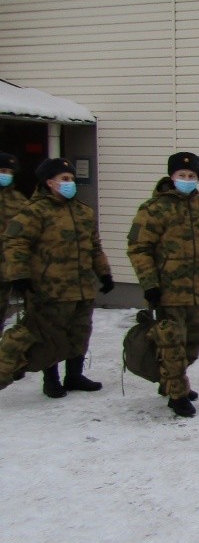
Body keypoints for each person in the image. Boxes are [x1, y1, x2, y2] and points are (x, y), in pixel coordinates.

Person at [0, 157, 114, 396]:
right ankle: (50, 379)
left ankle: (74, 375)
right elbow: (15, 243)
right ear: (49, 182)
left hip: (81, 286)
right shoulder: (34, 212)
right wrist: (19, 276)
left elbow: (94, 245)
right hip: (49, 287)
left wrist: (103, 273)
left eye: (71, 179)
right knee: (51, 336)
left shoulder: (83, 211)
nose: (69, 183)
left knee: (80, 331)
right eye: (64, 179)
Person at [126, 152, 199, 418]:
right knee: (172, 343)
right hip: (167, 291)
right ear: (171, 176)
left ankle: (171, 379)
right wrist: (150, 284)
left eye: (192, 176)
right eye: (182, 175)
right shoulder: (153, 209)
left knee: (195, 338)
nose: (186, 179)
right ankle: (177, 393)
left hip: (197, 290)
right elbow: (139, 248)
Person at [0, 153, 27, 327]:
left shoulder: (19, 201)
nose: (6, 174)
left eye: (9, 171)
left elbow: (27, 232)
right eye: (2, 170)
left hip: (6, 268)